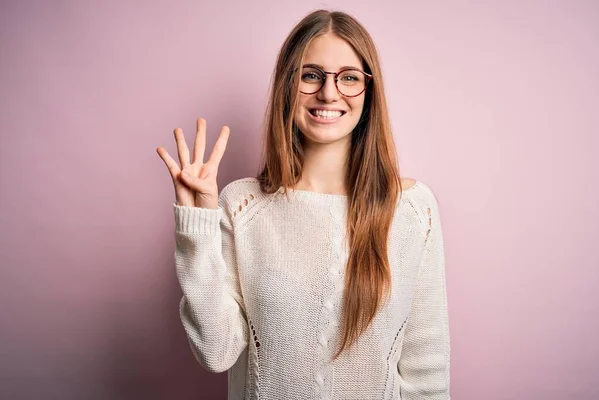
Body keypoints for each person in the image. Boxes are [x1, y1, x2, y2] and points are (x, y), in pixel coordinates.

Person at [156, 9, 450, 400]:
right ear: (287, 87)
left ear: (369, 91)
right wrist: (198, 225)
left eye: (348, 78)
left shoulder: (413, 210)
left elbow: (427, 371)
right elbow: (216, 350)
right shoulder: (243, 205)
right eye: (311, 76)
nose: (329, 93)